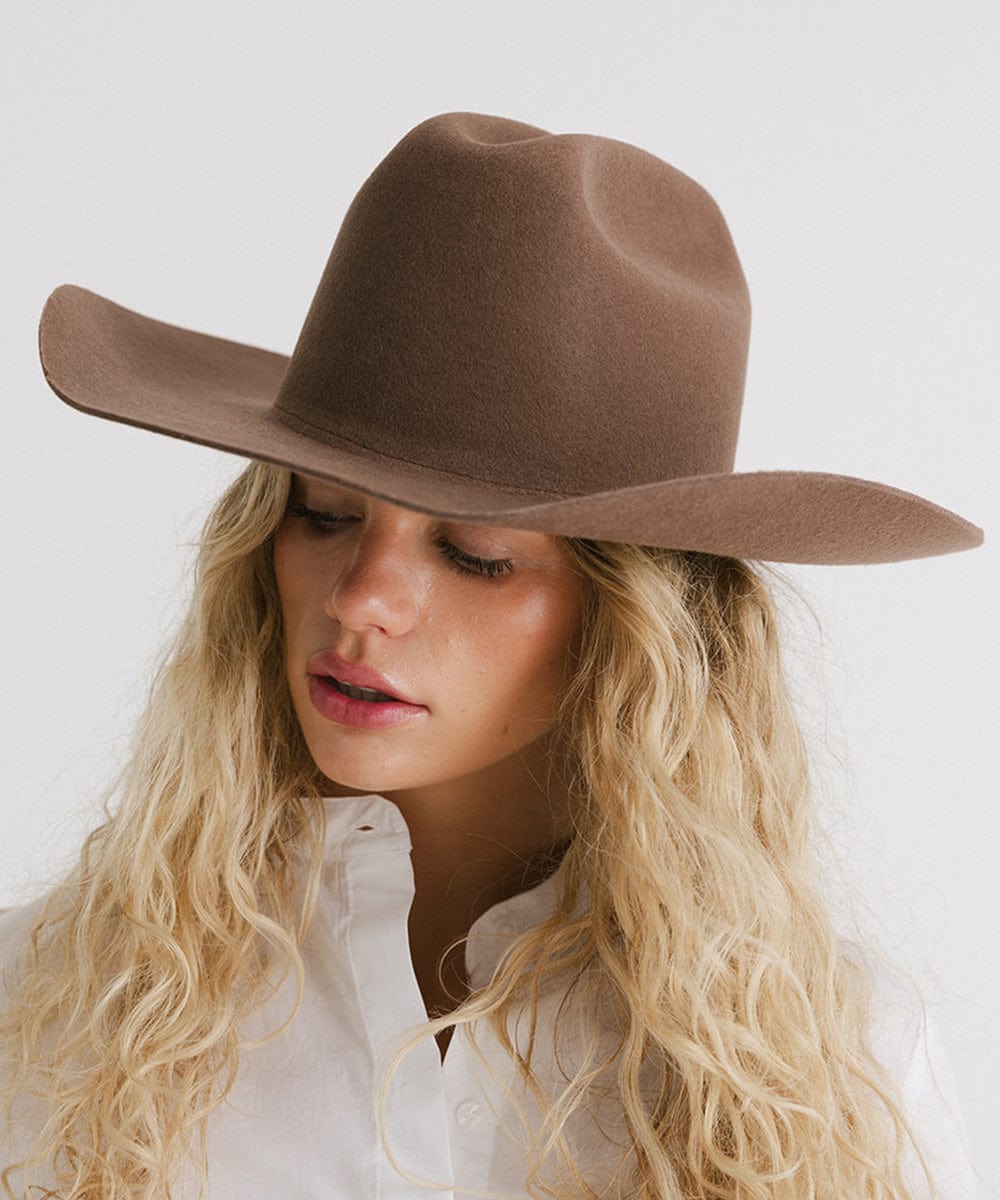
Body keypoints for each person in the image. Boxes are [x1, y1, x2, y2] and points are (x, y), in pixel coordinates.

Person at [0, 110, 983, 1200]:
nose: (363, 600)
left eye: (473, 557)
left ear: (635, 627)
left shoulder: (829, 1064)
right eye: (323, 514)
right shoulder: (53, 1007)